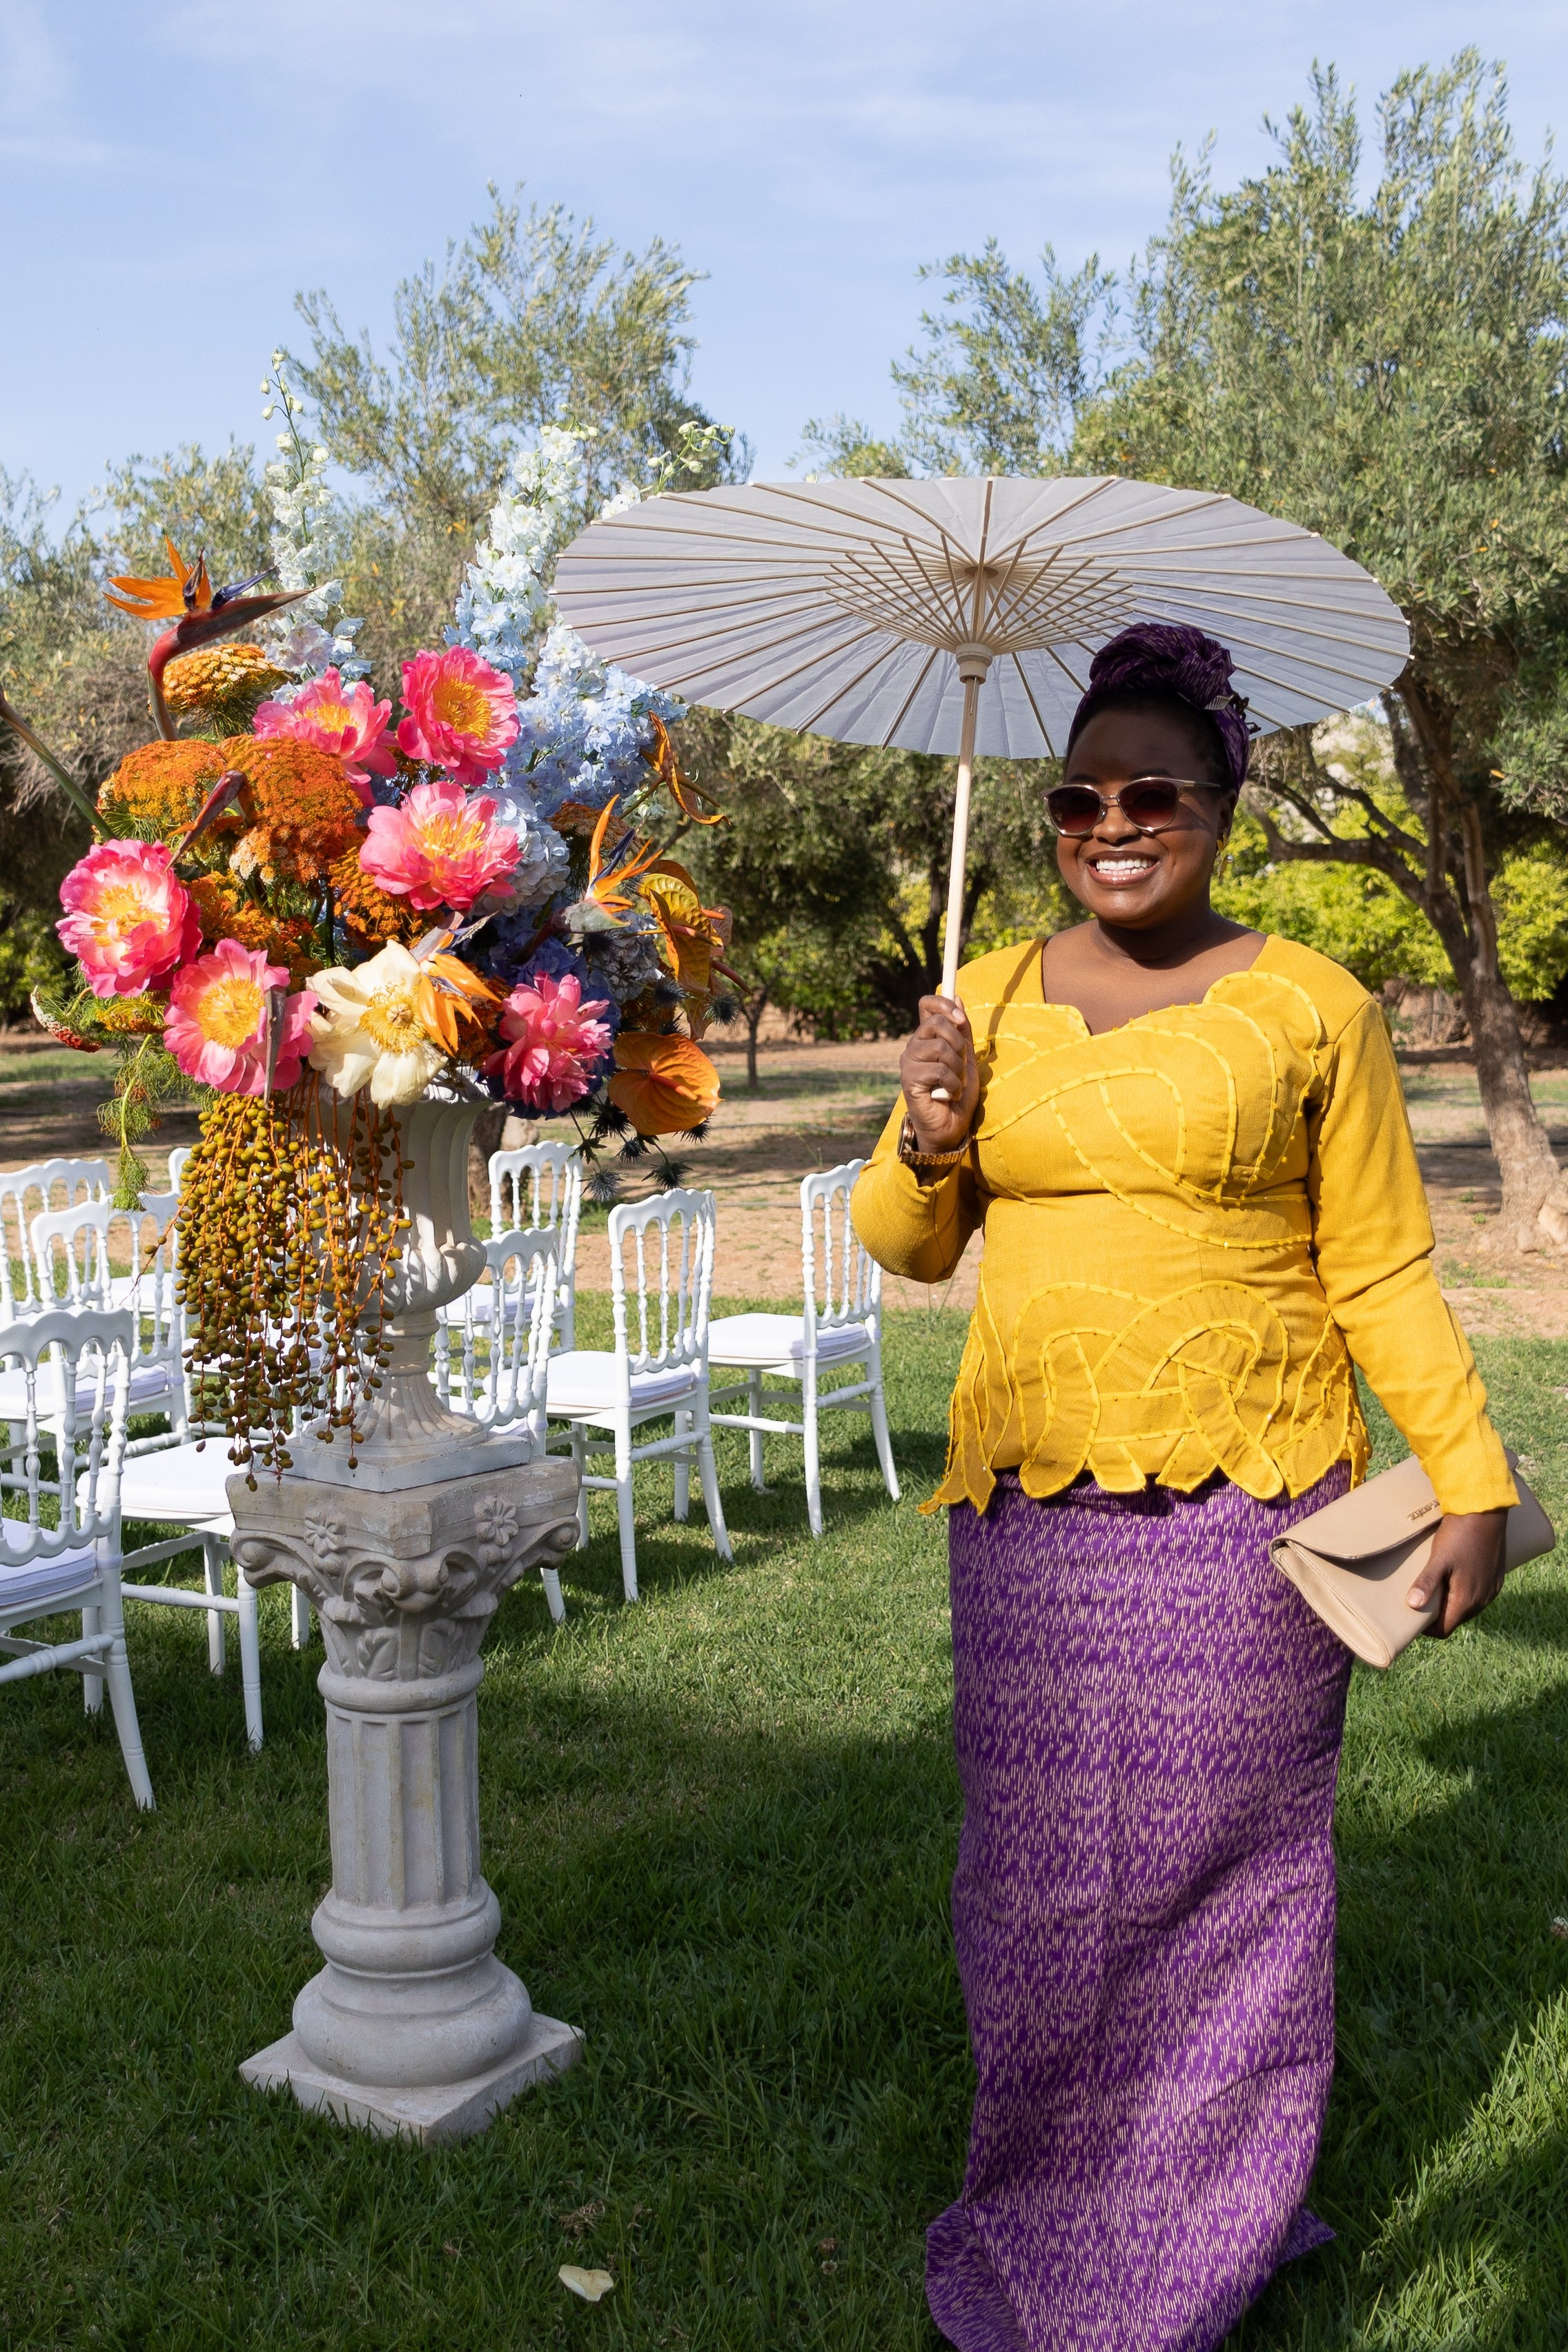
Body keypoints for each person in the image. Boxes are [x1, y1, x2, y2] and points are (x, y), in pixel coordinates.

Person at [850, 620, 1516, 2352]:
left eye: (1154, 791)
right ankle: (1051, 2205)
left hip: (1248, 1512)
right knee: (1037, 1889)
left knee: (1221, 1882)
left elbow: (1375, 1269)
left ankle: (1191, 2244)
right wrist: (926, 1130)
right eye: (1079, 796)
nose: (1112, 822)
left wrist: (1471, 1473)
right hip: (1029, 1517)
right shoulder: (977, 997)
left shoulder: (1312, 1004)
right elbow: (907, 1250)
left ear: (1227, 803)